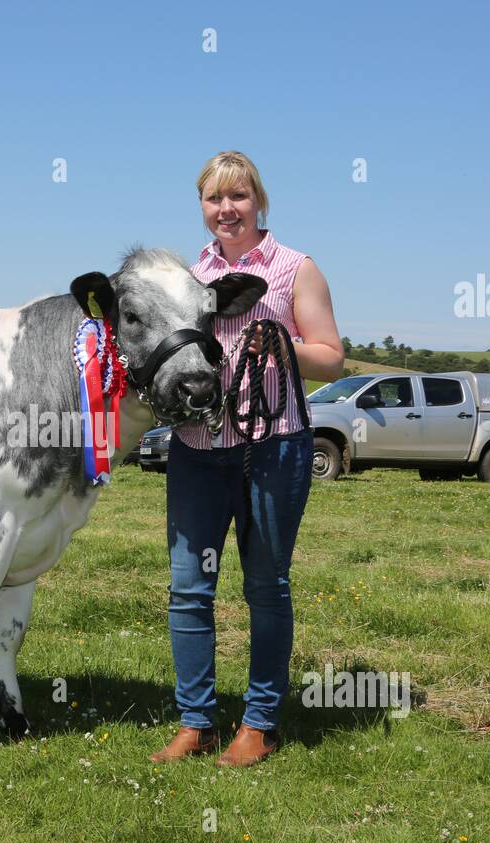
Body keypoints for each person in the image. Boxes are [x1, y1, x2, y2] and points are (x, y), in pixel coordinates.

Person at [150, 150, 345, 767]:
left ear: (258, 201)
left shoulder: (295, 268)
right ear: (202, 207)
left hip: (273, 449)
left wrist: (283, 338)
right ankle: (196, 721)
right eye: (214, 199)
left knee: (265, 586)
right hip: (197, 450)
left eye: (238, 197)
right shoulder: (190, 275)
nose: (226, 210)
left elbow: (332, 356)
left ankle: (260, 722)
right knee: (188, 589)